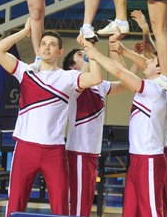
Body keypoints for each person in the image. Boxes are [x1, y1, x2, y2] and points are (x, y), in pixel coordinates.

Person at [0, 21, 101, 216]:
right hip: (25, 148)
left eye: (52, 44)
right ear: (39, 49)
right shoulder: (25, 72)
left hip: (54, 151)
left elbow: (96, 78)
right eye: (43, 44)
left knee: (60, 205)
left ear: (60, 52)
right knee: (15, 201)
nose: (47, 47)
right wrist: (24, 31)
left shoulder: (68, 77)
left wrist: (91, 50)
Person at [83, 38, 167, 217]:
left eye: (152, 60)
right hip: (137, 158)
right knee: (130, 211)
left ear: (159, 69)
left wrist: (95, 54)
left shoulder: (155, 89)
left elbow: (119, 72)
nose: (146, 61)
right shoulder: (147, 87)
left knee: (151, 212)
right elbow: (123, 72)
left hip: (150, 159)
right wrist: (117, 49)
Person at [109, 28, 167, 216]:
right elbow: (151, 55)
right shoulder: (156, 82)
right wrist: (145, 31)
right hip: (145, 148)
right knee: (136, 202)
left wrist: (124, 50)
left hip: (159, 148)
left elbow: (153, 60)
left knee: (156, 200)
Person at [62, 48, 125, 216]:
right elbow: (87, 74)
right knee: (79, 203)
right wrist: (90, 52)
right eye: (80, 55)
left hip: (92, 151)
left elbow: (125, 84)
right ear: (73, 67)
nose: (85, 55)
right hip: (78, 151)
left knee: (85, 201)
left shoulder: (100, 85)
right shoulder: (72, 83)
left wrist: (119, 54)